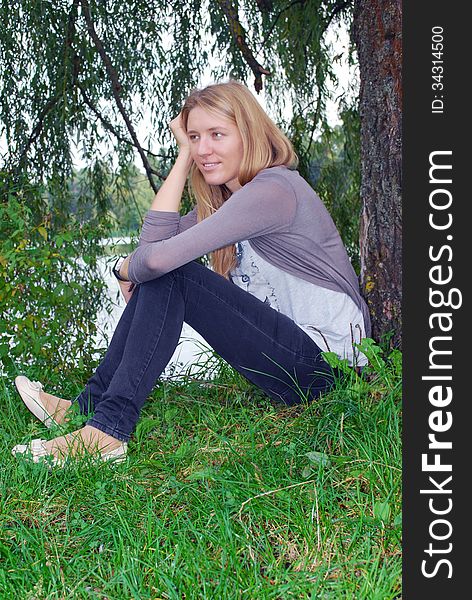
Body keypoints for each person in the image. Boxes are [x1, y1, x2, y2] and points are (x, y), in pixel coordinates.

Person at [12, 80, 370, 465]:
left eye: (217, 134)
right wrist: (182, 157)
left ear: (248, 134)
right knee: (167, 272)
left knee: (175, 275)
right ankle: (87, 411)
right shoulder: (226, 201)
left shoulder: (275, 190)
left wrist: (123, 267)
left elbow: (152, 262)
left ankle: (107, 432)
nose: (203, 149)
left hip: (331, 370)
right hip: (290, 363)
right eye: (194, 137)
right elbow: (151, 248)